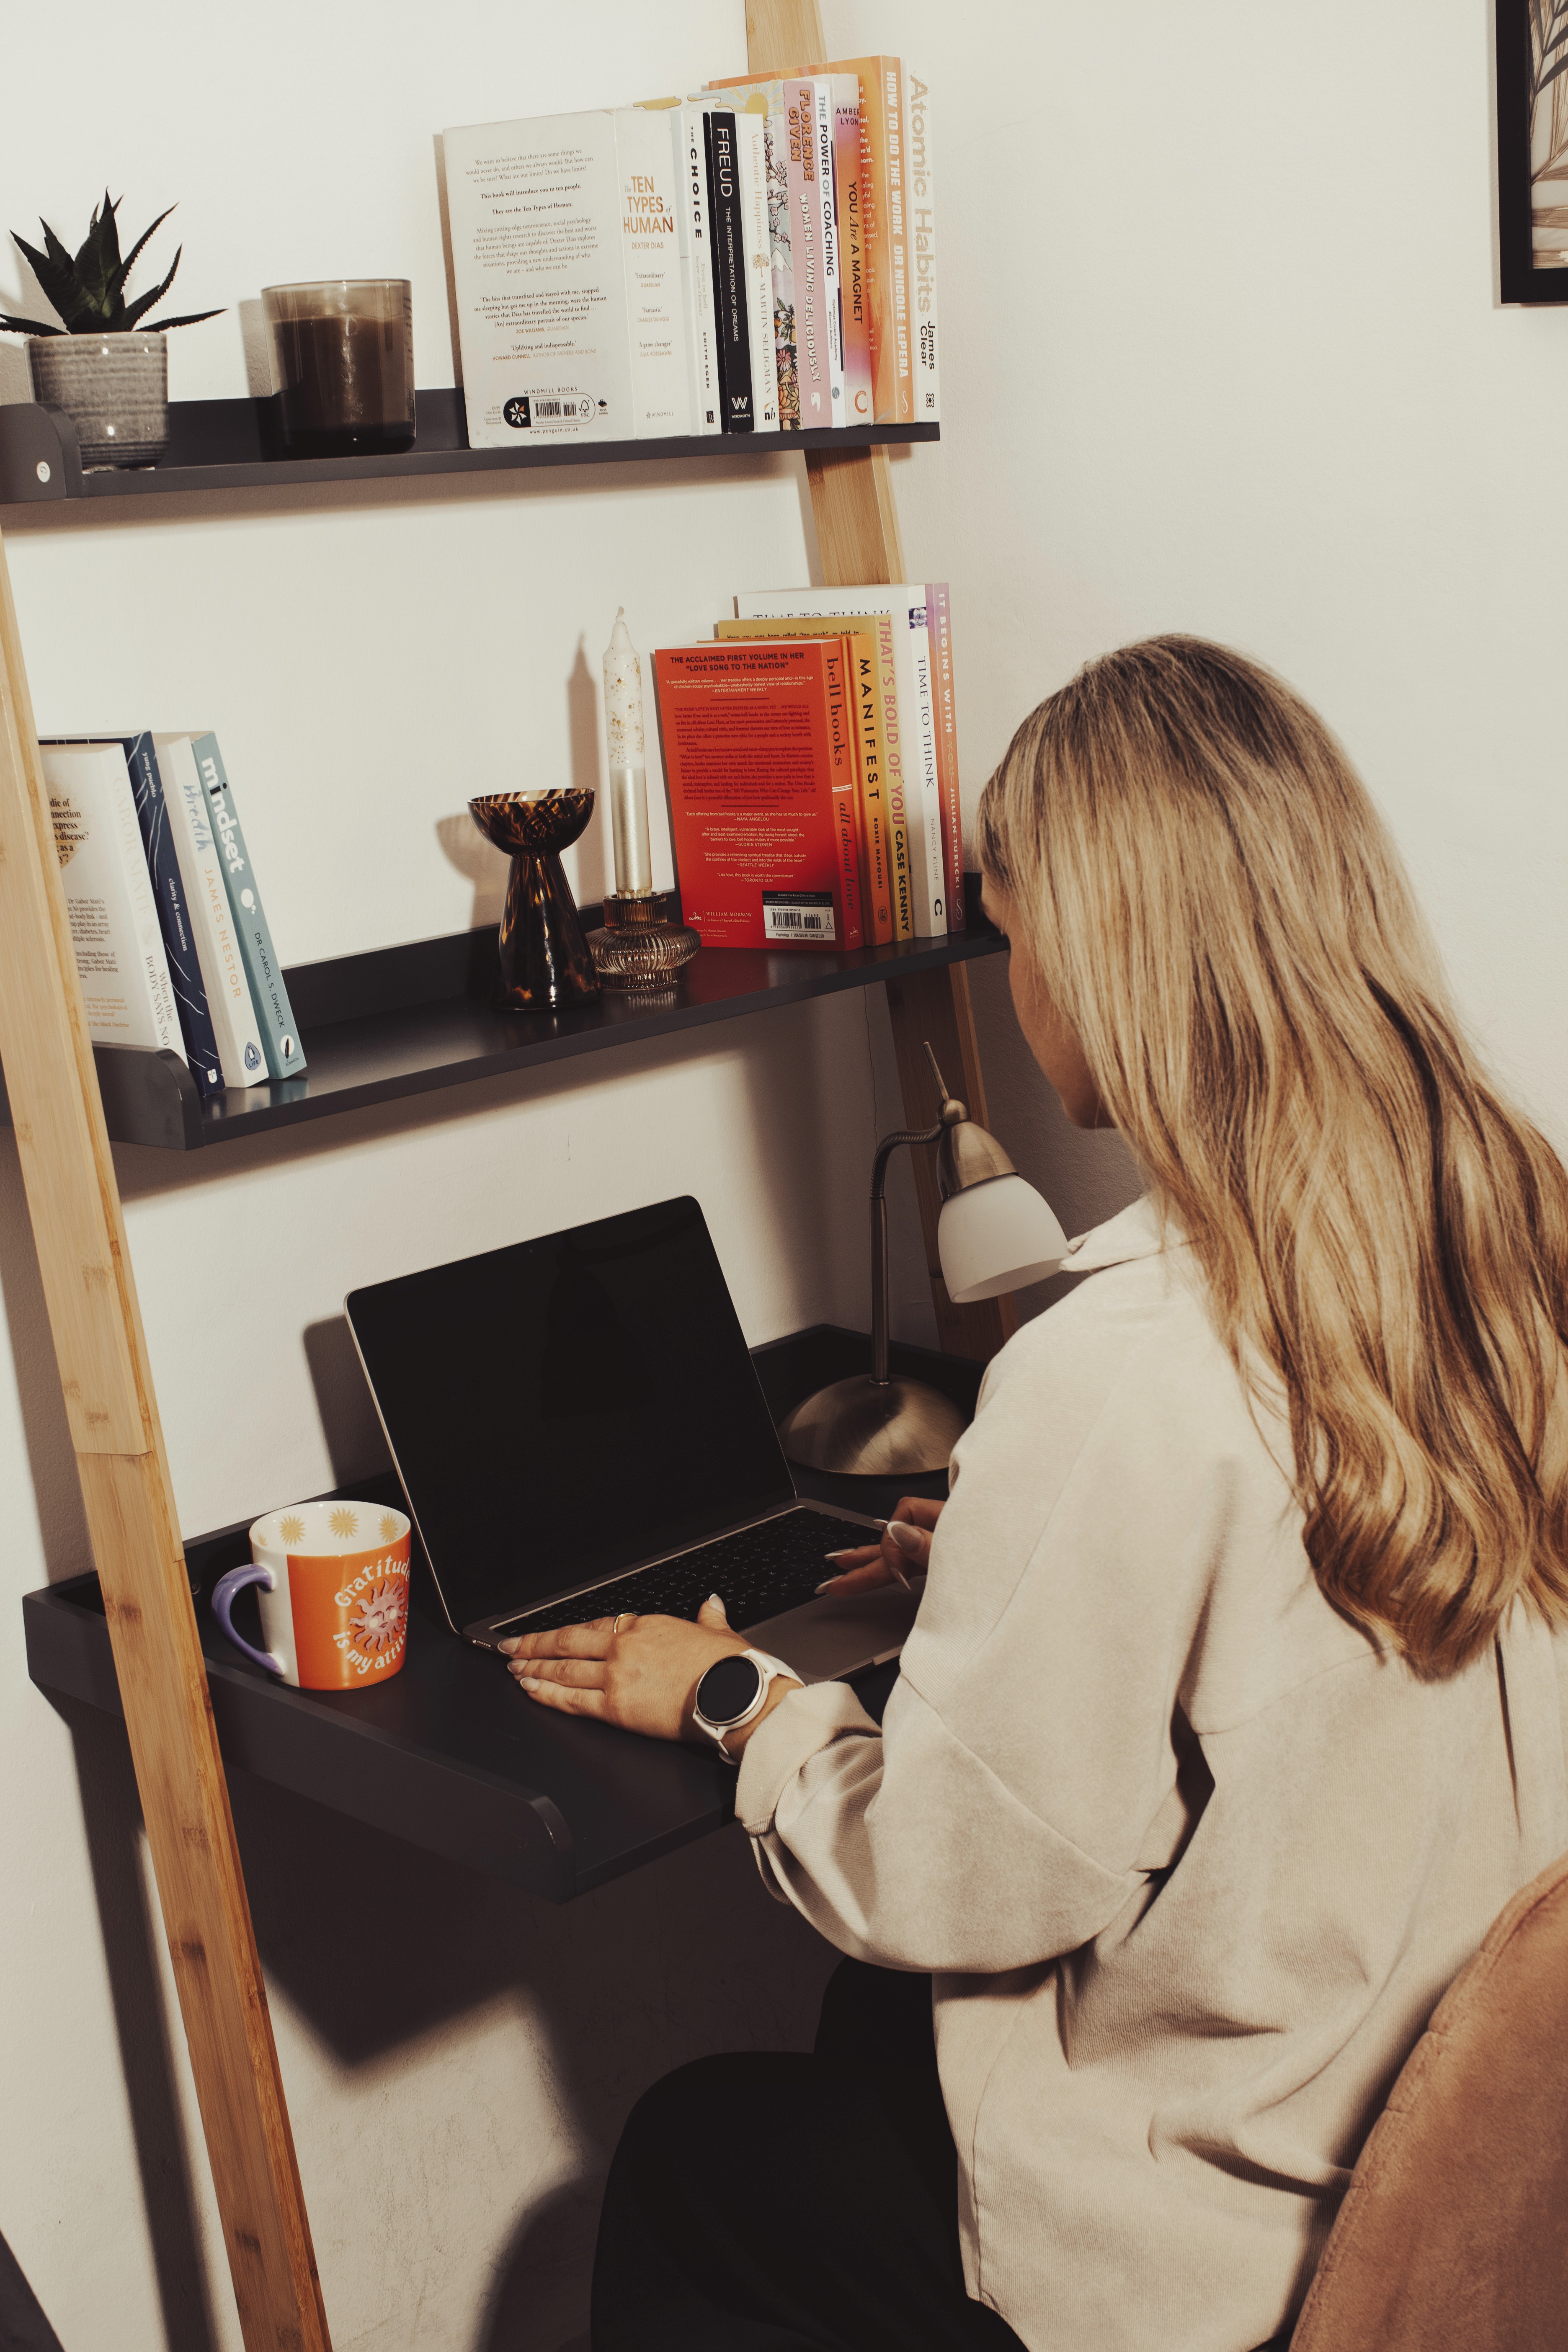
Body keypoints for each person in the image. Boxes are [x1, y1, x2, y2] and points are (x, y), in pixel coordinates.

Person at [501, 637, 1568, 2352]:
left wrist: (725, 1695)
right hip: (1472, 2155)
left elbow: (946, 1889)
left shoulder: (1132, 1362)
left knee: (695, 2155)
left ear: (1111, 949)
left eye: (1011, 931)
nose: (1014, 983)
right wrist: (1016, 1573)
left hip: (1248, 2236)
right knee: (869, 2039)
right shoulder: (1504, 1234)